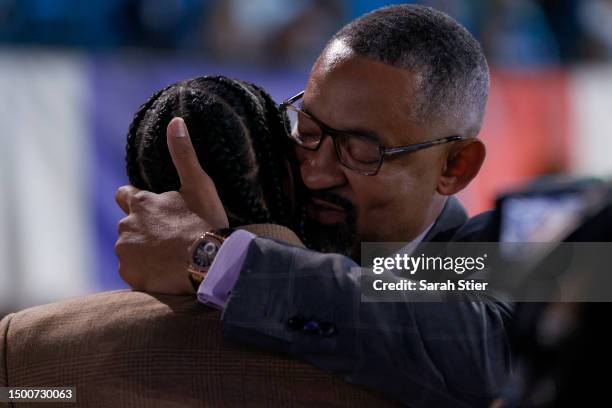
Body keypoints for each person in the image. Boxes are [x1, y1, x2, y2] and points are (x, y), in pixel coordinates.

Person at [116, 5, 513, 407]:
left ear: (454, 166)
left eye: (360, 152)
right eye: (307, 130)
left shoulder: (507, 248)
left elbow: (486, 351)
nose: (315, 174)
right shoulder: (277, 214)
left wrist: (214, 259)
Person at [1, 76, 403, 406]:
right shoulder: (392, 351)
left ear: (143, 195)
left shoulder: (26, 346)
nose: (317, 174)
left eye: (364, 153)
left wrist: (208, 251)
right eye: (309, 139)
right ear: (285, 179)